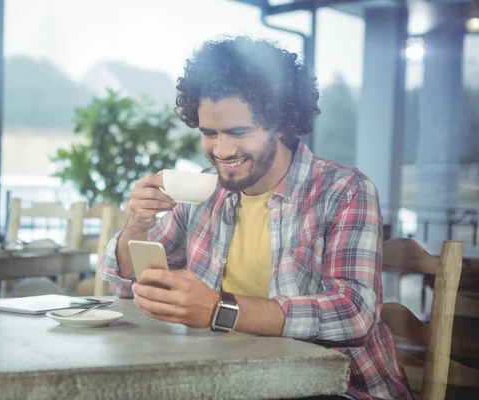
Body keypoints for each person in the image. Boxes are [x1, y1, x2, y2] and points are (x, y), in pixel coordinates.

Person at [100, 37, 411, 400]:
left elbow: (353, 313)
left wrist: (219, 310)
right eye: (209, 133)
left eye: (239, 132)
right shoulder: (202, 192)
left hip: (337, 390)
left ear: (279, 123)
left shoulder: (343, 191)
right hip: (233, 381)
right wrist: (138, 225)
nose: (222, 150)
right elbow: (125, 287)